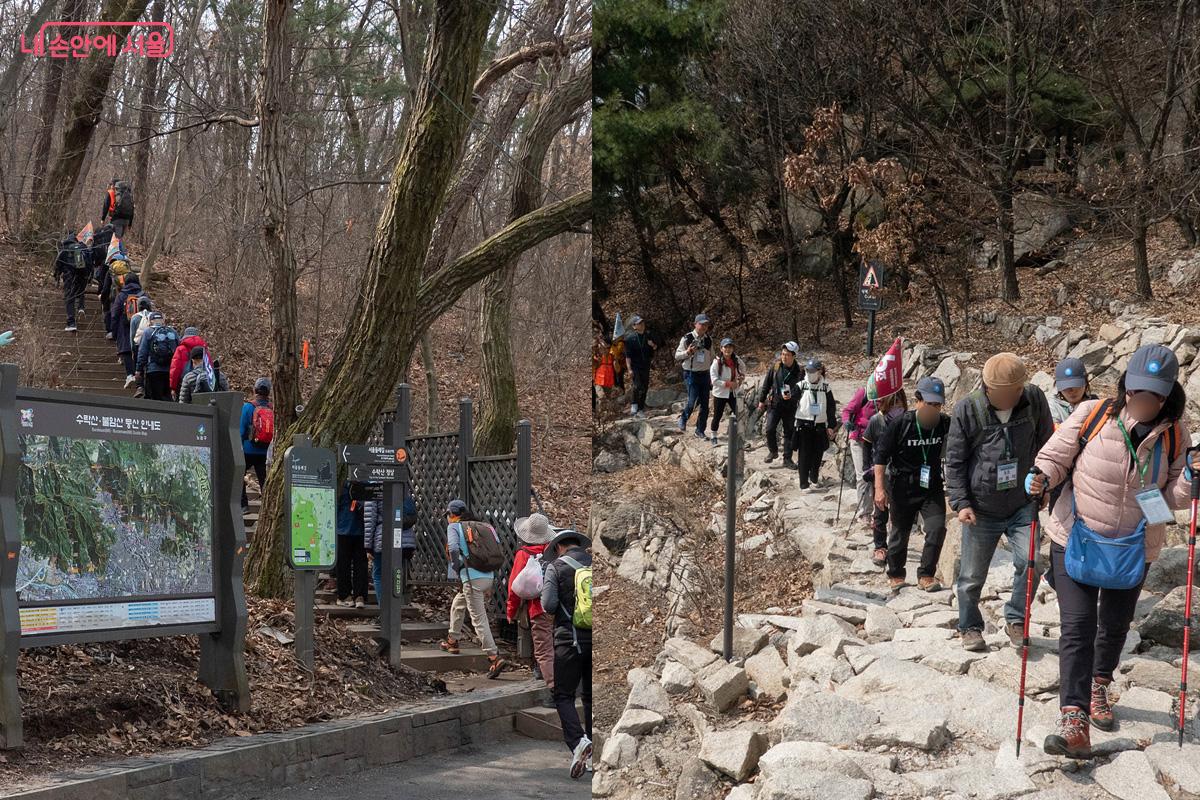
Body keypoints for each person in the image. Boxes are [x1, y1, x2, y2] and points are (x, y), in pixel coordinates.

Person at [1030, 345, 1191, 758]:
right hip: (1075, 538)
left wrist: (1191, 478)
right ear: (1125, 386)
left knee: (1115, 627)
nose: (1144, 401)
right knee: (1078, 627)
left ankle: (1100, 684)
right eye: (1138, 391)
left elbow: (1173, 497)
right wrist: (1041, 476)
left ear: (1168, 394)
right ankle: (1074, 720)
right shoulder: (1094, 414)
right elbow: (1055, 456)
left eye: (1154, 394)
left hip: (1133, 548)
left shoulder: (1175, 433)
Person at [947, 352, 1054, 653]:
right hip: (981, 508)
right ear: (987, 387)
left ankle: (1016, 619)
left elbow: (1047, 447)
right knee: (971, 577)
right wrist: (961, 502)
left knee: (1031, 561)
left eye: (1016, 390)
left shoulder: (1034, 400)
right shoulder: (968, 409)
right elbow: (954, 461)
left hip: (1022, 503)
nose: (1011, 397)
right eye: (1004, 393)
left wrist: (1045, 484)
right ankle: (969, 627)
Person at [874, 376, 950, 590]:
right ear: (917, 400)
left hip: (931, 485)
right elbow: (880, 457)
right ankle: (896, 574)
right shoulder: (901, 424)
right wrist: (879, 489)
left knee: (936, 528)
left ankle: (926, 574)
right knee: (900, 532)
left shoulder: (944, 424)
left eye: (937, 405)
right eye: (929, 403)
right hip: (902, 486)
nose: (933, 409)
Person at [540, 527, 593, 780]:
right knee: (591, 697)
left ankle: (578, 742)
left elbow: (548, 605)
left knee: (563, 695)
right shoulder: (595, 563)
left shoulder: (556, 567)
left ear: (559, 547)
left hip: (568, 641)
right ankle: (594, 752)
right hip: (594, 639)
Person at [440, 499, 506, 679]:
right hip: (488, 575)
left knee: (478, 618)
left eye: (447, 515)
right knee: (459, 603)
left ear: (452, 514)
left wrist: (456, 566)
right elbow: (497, 547)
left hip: (471, 577)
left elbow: (453, 547)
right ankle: (452, 640)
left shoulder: (454, 527)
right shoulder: (485, 526)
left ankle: (494, 656)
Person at [507, 513, 555, 692]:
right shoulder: (555, 551)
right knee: (556, 643)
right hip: (559, 606)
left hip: (537, 607)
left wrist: (511, 611)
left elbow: (514, 587)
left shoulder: (524, 554)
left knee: (543, 648)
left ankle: (552, 688)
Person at [862, 382, 908, 566]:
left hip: (901, 473)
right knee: (880, 511)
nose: (897, 407)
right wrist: (867, 468)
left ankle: (896, 546)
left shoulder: (907, 420)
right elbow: (866, 443)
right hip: (881, 474)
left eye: (900, 403)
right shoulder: (877, 421)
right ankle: (880, 546)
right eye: (894, 403)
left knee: (899, 513)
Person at [793, 357, 838, 491]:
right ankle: (803, 483)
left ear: (819, 371)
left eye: (813, 371)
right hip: (803, 424)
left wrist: (831, 425)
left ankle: (813, 477)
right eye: (808, 370)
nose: (810, 373)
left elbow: (831, 407)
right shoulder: (801, 385)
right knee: (804, 455)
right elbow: (792, 400)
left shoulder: (826, 387)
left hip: (819, 424)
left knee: (818, 454)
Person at [364, 493, 417, 604]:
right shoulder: (402, 486)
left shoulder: (374, 489)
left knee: (378, 574)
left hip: (383, 538)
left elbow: (370, 520)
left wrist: (368, 546)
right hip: (405, 540)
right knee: (397, 572)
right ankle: (395, 609)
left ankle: (384, 611)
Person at [757, 342, 803, 467]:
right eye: (782, 354)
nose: (784, 357)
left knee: (789, 432)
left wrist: (792, 396)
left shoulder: (799, 371)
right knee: (769, 429)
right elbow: (767, 384)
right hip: (775, 403)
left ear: (794, 356)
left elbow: (801, 390)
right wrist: (762, 400)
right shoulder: (776, 367)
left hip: (790, 406)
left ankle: (787, 459)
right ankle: (773, 451)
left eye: (787, 355)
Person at [842, 377, 879, 526]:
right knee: (863, 476)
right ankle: (864, 513)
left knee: (878, 476)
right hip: (859, 440)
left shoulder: (889, 394)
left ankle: (879, 512)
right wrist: (846, 422)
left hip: (877, 441)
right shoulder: (864, 392)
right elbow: (847, 411)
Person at [675, 313, 714, 439]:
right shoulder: (687, 338)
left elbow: (712, 357)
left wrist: (715, 372)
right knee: (692, 402)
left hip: (705, 375)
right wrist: (688, 352)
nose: (704, 326)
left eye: (706, 324)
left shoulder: (708, 340)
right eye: (701, 324)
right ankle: (683, 418)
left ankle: (700, 430)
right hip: (691, 374)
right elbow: (677, 356)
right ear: (695, 324)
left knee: (704, 405)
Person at [240, 378, 273, 512]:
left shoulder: (248, 407)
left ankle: (244, 505)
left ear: (255, 390)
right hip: (264, 451)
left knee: (238, 475)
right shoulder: (272, 408)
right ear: (268, 393)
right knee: (263, 479)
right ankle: (267, 508)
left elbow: (241, 430)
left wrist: (240, 444)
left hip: (248, 449)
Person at [334, 483, 368, 608]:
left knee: (346, 564)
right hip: (356, 528)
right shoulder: (363, 482)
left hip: (344, 528)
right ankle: (358, 595)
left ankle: (346, 595)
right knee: (358, 563)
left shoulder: (342, 484)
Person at [708, 337, 746, 445]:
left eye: (730, 347)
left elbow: (743, 368)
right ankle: (714, 436)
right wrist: (728, 384)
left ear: (733, 349)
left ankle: (740, 438)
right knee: (717, 415)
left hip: (733, 392)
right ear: (721, 348)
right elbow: (714, 380)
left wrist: (741, 378)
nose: (728, 350)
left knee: (739, 414)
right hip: (720, 393)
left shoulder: (736, 360)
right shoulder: (717, 363)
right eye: (725, 347)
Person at [111, 271, 144, 388]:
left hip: (124, 326)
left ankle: (130, 375)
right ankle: (139, 377)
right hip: (141, 326)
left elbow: (114, 314)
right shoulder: (142, 294)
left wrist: (113, 331)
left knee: (126, 349)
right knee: (138, 350)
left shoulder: (121, 295)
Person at [136, 313, 178, 401]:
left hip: (153, 370)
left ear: (150, 321)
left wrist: (139, 369)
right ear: (163, 320)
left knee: (154, 399)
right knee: (167, 398)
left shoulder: (148, 332)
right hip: (170, 371)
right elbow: (179, 350)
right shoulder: (172, 331)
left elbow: (142, 353)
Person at [623, 315, 658, 417]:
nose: (642, 324)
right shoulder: (629, 339)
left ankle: (641, 408)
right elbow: (627, 356)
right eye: (639, 323)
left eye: (642, 322)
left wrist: (652, 345)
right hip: (635, 366)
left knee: (645, 386)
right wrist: (629, 369)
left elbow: (655, 348)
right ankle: (634, 404)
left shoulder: (649, 335)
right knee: (637, 385)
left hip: (646, 365)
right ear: (634, 326)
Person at [55, 235, 89, 332]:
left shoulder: (64, 249)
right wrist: (88, 276)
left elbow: (58, 263)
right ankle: (81, 307)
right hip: (81, 275)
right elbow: (89, 261)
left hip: (69, 276)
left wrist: (57, 276)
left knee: (70, 298)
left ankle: (71, 323)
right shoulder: (81, 247)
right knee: (80, 292)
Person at [1049, 357, 1097, 427]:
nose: (1071, 391)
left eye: (1076, 385)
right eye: (1065, 387)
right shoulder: (1052, 408)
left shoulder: (1096, 404)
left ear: (1085, 383)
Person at [169, 327, 209, 398]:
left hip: (183, 382)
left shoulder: (180, 349)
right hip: (203, 380)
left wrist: (173, 387)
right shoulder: (204, 348)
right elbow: (209, 365)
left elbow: (175, 369)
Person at [592, 329, 615, 411]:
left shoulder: (612, 355)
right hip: (599, 380)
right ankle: (600, 414)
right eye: (604, 347)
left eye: (607, 347)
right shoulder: (596, 355)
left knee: (608, 398)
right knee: (602, 397)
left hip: (609, 380)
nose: (605, 349)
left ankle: (607, 414)